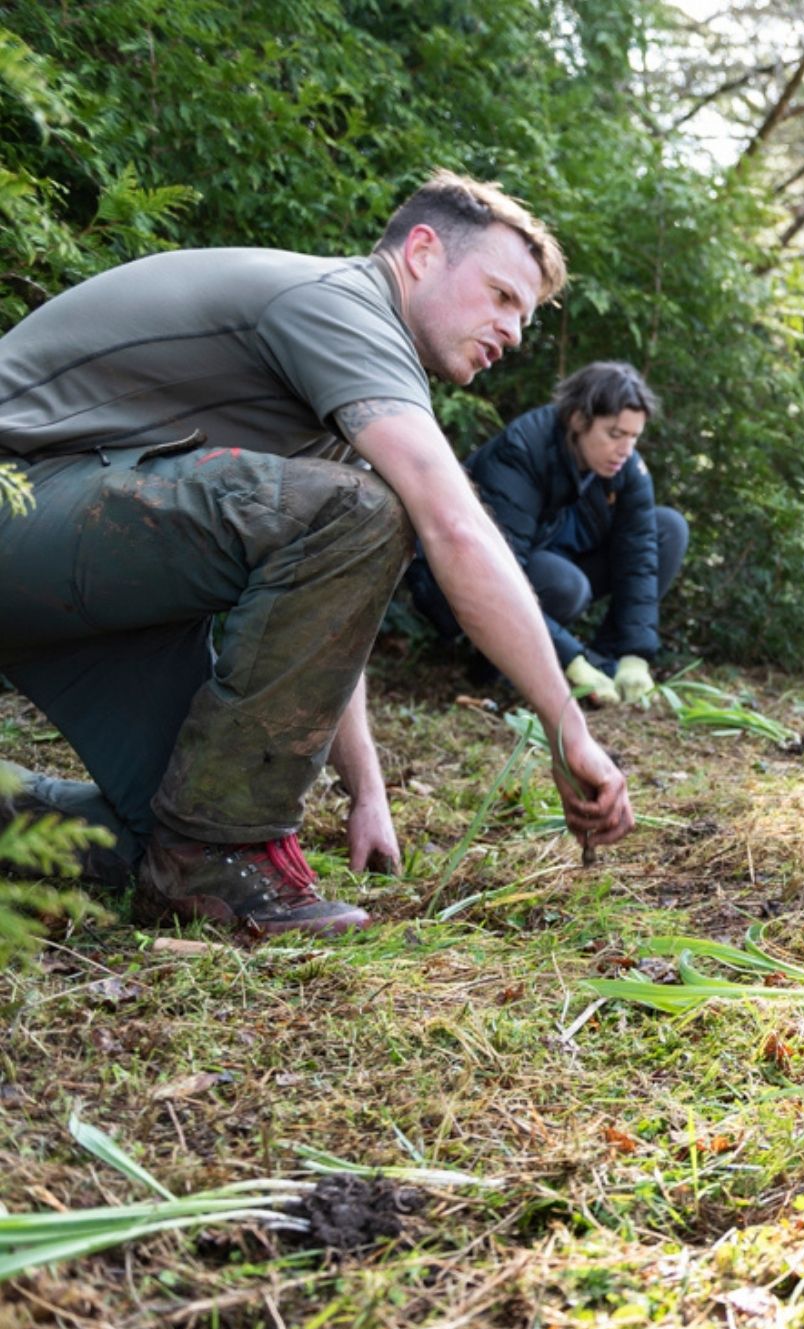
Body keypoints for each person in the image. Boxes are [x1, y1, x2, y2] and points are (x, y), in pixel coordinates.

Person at [0, 171, 634, 937]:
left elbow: (326, 612)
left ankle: (163, 842)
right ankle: (223, 848)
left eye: (526, 316)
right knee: (365, 511)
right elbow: (449, 526)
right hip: (22, 508)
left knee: (166, 830)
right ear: (423, 253)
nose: (516, 331)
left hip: (71, 561)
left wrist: (366, 790)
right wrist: (568, 726)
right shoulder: (338, 305)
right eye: (502, 296)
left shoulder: (334, 395)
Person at [407, 361, 687, 707]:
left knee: (667, 530)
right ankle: (496, 661)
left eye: (634, 437)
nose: (625, 450)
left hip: (550, 557)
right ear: (578, 420)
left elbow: (639, 556)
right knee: (566, 585)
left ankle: (607, 665)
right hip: (474, 582)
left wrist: (635, 655)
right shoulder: (522, 450)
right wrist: (573, 661)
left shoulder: (625, 467)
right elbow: (499, 573)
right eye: (615, 434)